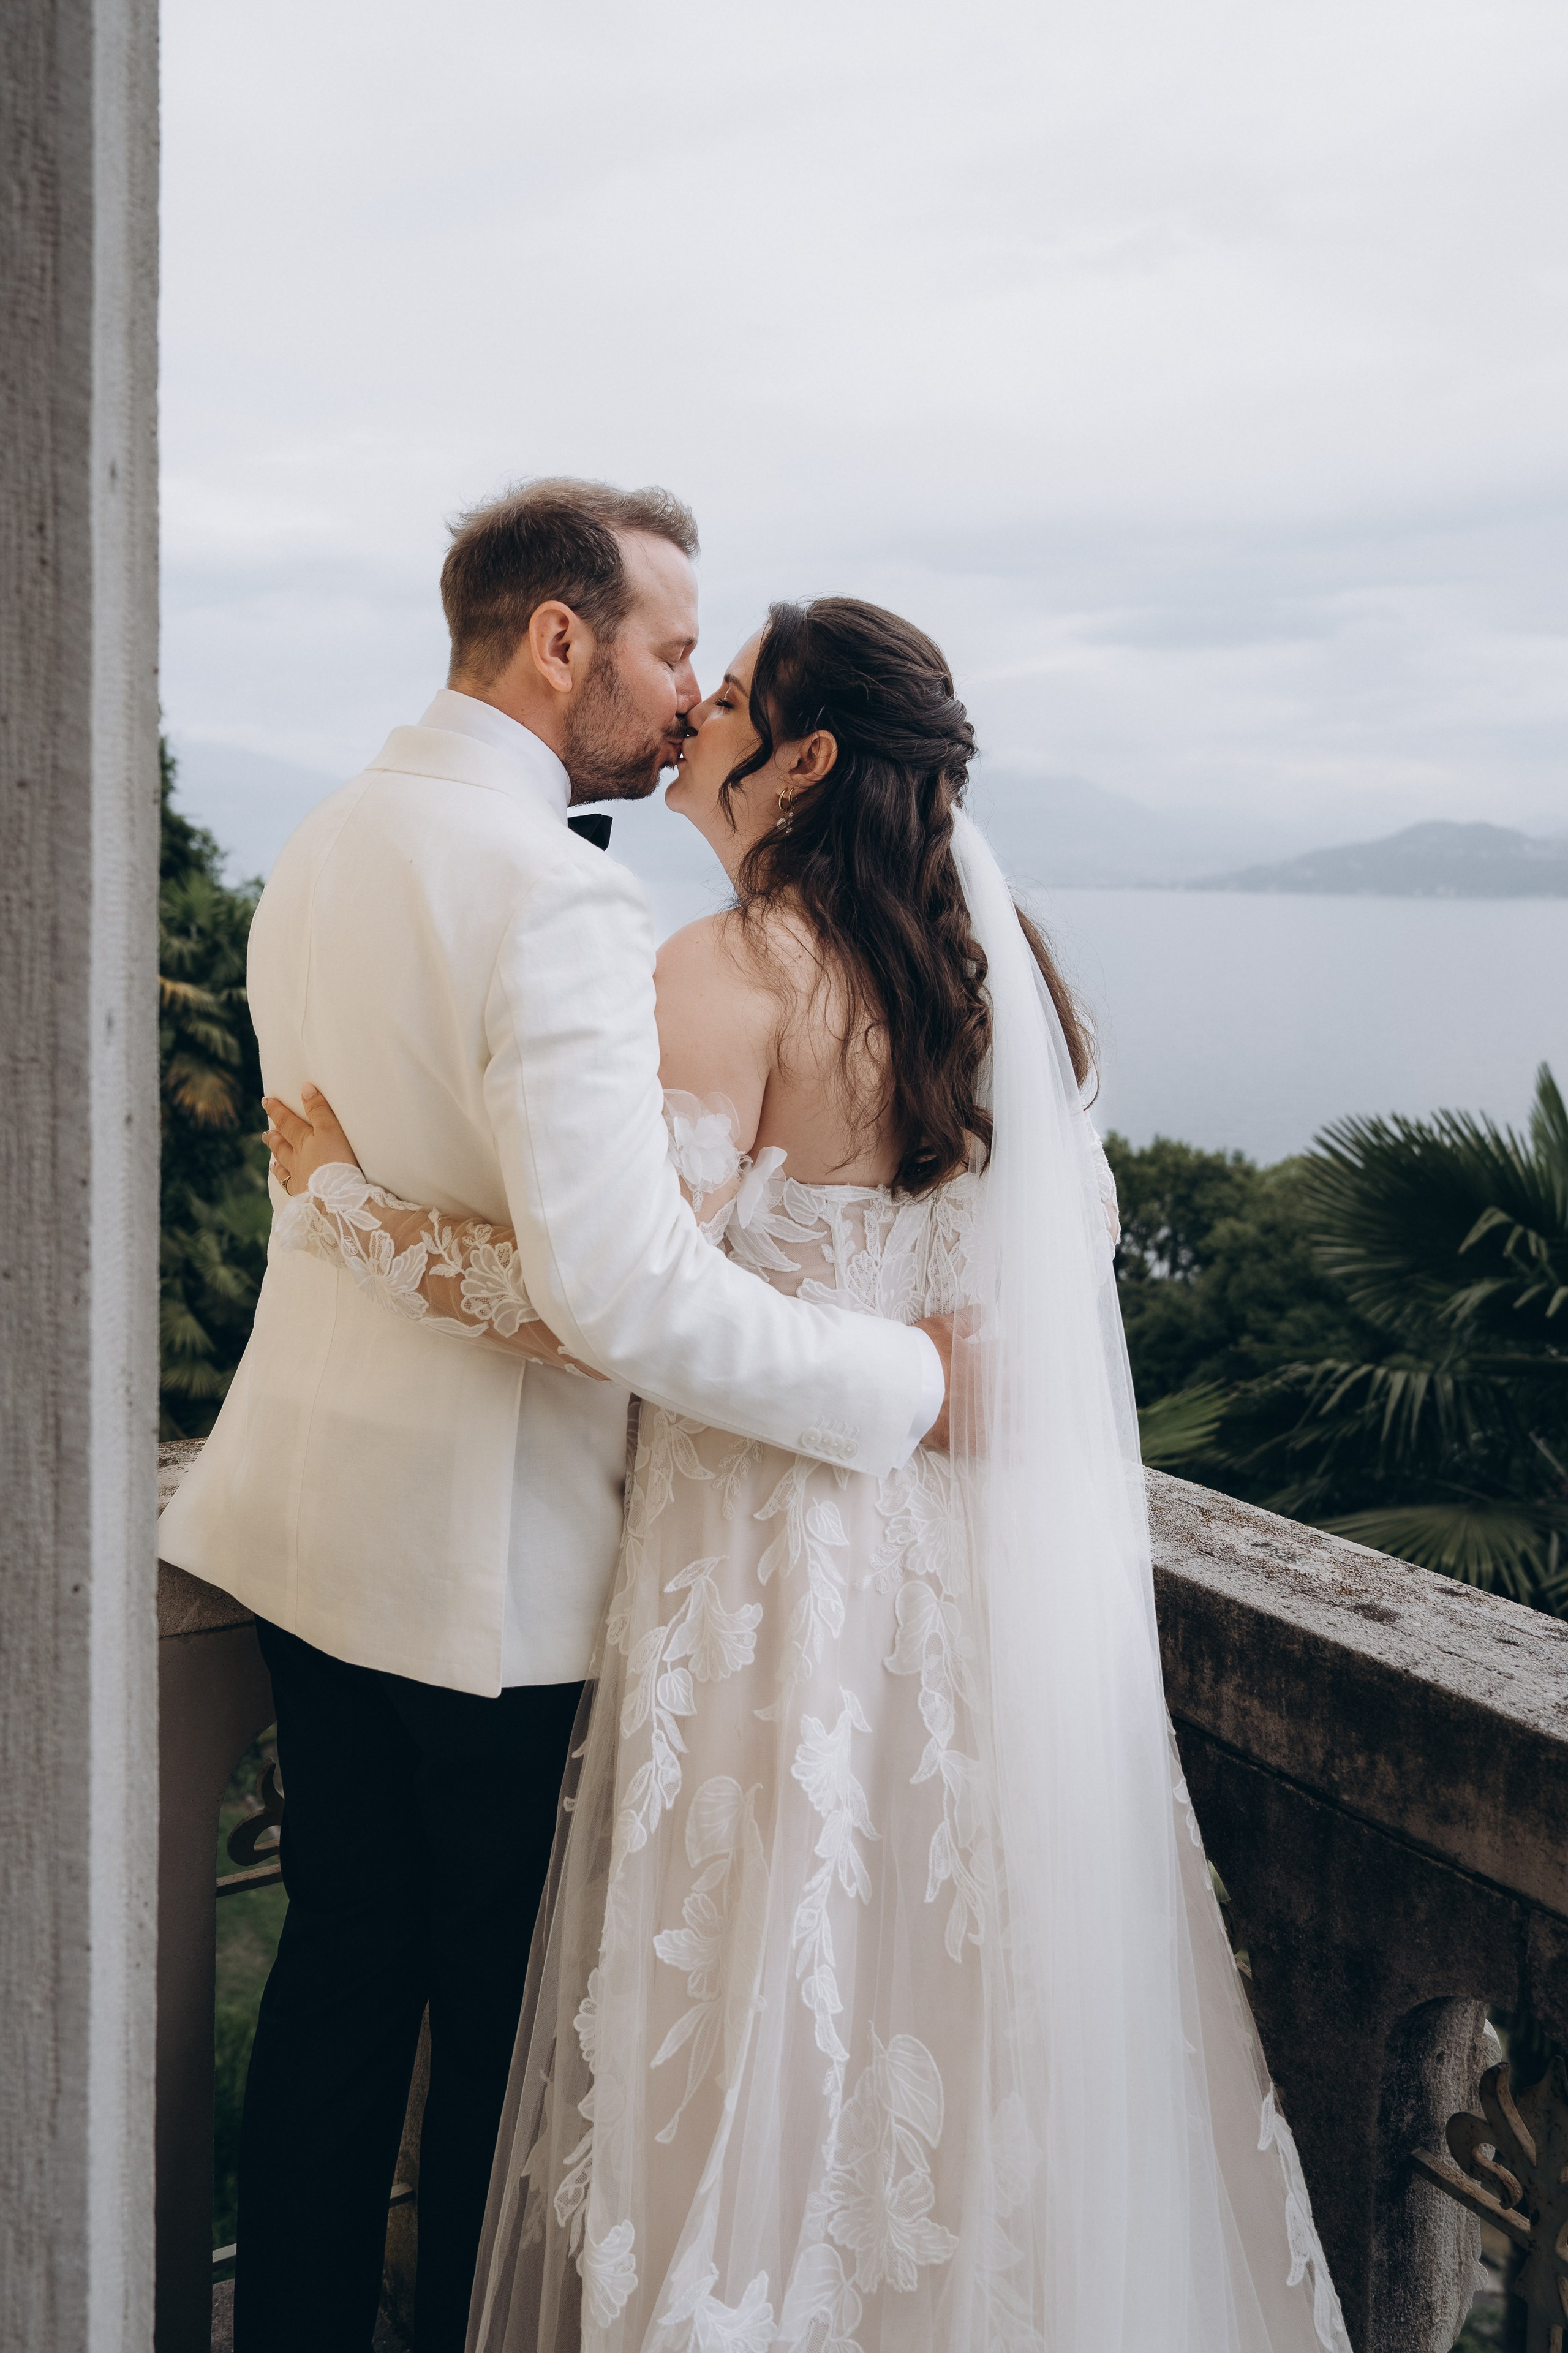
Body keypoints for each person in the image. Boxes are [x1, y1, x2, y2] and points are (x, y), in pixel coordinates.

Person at [263, 599, 1351, 2352]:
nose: (693, 711)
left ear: (809, 758)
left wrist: (344, 1205)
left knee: (765, 2036)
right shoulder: (1018, 992)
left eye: (735, 698)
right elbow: (1045, 1287)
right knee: (964, 2030)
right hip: (968, 1595)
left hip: (770, 1581)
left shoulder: (721, 975)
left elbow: (607, 1303)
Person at [156, 486, 952, 2353]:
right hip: (487, 1582)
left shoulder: (324, 837)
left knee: (344, 1990)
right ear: (561, 642)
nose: (691, 700)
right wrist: (904, 1381)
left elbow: (370, 1188)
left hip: (302, 1521)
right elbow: (624, 1299)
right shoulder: (570, 898)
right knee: (511, 2046)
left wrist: (346, 1208)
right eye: (676, 652)